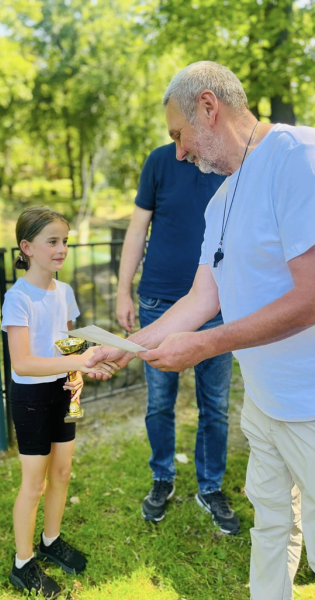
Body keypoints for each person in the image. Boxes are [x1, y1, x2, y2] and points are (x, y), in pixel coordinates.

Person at [87, 61, 315, 600]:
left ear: (209, 108)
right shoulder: (221, 198)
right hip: (263, 403)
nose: (181, 152)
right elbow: (200, 298)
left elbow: (310, 296)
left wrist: (209, 343)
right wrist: (128, 347)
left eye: (179, 135)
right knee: (270, 526)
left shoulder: (296, 158)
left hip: (309, 404)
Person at [116, 145, 237, 531]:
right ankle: (162, 478)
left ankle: (210, 487)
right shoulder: (158, 161)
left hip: (218, 302)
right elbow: (137, 229)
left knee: (215, 406)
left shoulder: (229, 160)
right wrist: (122, 291)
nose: (180, 140)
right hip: (158, 301)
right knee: (160, 402)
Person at [1, 206, 116, 598]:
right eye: (53, 241)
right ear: (27, 247)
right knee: (34, 484)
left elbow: (68, 341)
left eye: (65, 241)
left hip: (61, 392)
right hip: (31, 396)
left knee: (62, 472)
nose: (62, 248)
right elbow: (23, 362)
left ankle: (51, 541)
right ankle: (22, 563)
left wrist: (79, 374)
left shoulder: (64, 292)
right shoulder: (17, 298)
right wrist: (78, 361)